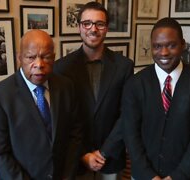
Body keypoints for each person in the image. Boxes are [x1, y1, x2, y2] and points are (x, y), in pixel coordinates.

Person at [122, 17, 190, 180]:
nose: (164, 52)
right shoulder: (135, 84)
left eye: (171, 45)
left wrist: (178, 176)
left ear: (183, 45)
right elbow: (130, 133)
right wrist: (148, 175)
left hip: (185, 176)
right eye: (157, 46)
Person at [0, 29, 82, 180]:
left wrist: (67, 176)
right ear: (19, 58)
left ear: (54, 58)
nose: (39, 64)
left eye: (46, 57)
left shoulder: (66, 87)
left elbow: (75, 134)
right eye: (31, 57)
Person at [54, 2, 134, 180]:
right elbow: (61, 119)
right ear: (79, 28)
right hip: (75, 160)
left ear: (106, 29)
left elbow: (127, 114)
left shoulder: (124, 66)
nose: (93, 29)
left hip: (111, 158)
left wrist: (105, 152)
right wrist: (83, 154)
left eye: (100, 24)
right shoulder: (61, 68)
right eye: (87, 23)